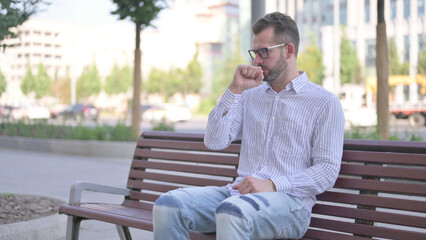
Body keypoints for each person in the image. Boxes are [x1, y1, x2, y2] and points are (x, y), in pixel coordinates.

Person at [153, 12, 345, 240]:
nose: (256, 61)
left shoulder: (324, 102)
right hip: (237, 195)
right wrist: (234, 91)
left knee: (233, 213)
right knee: (168, 206)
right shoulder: (249, 95)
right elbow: (214, 141)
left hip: (291, 205)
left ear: (289, 51)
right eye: (255, 53)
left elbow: (327, 171)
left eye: (265, 52)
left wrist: (273, 184)